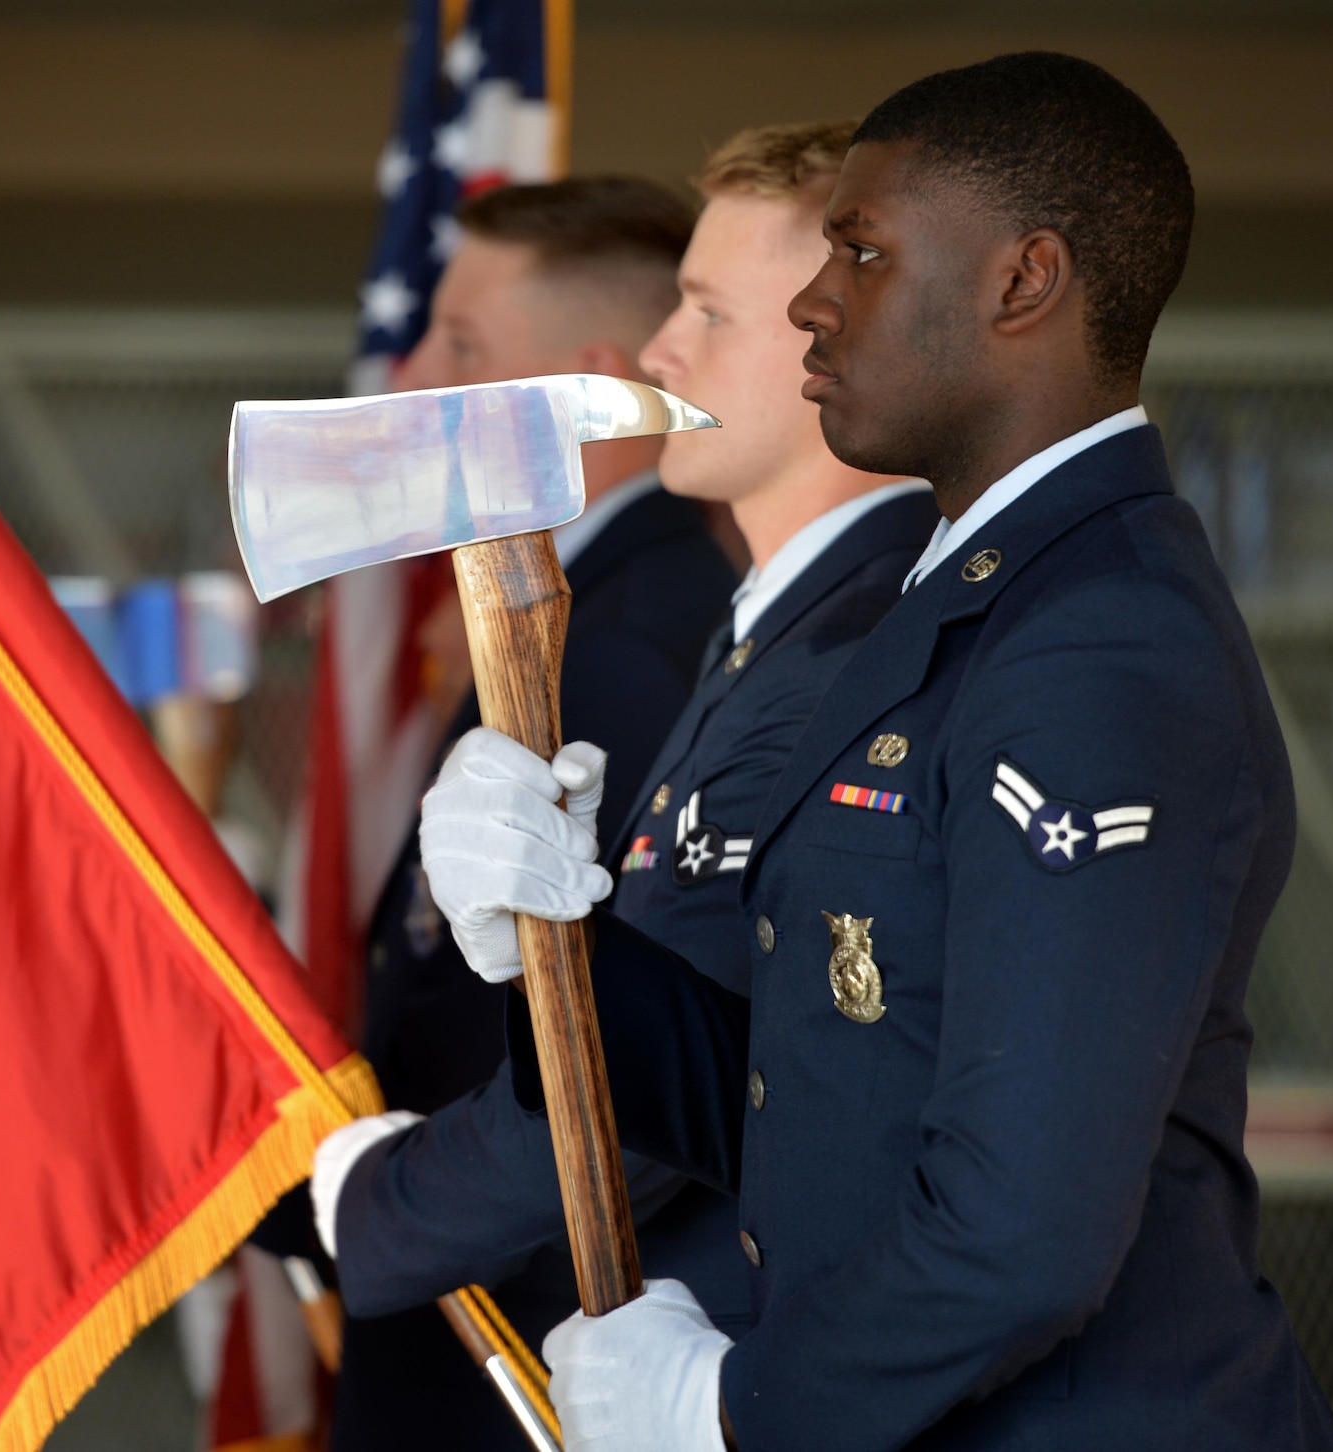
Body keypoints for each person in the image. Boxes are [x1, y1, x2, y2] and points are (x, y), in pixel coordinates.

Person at [418, 52, 1333, 1451]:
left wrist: (733, 1407)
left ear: (1022, 283)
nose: (812, 297)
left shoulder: (1098, 641)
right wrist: (557, 931)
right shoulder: (959, 598)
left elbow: (1018, 1235)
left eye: (860, 250)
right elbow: (821, 1083)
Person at [313, 117, 937, 1388]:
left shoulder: (849, 657)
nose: (660, 351)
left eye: (707, 312)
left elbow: (714, 1087)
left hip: (706, 1340)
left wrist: (370, 1204)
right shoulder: (757, 636)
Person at [329, 176, 740, 1452]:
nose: (407, 378)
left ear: (590, 382)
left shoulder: (636, 642)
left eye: (460, 347)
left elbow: (648, 1080)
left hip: (531, 1346)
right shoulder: (583, 605)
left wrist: (369, 1209)